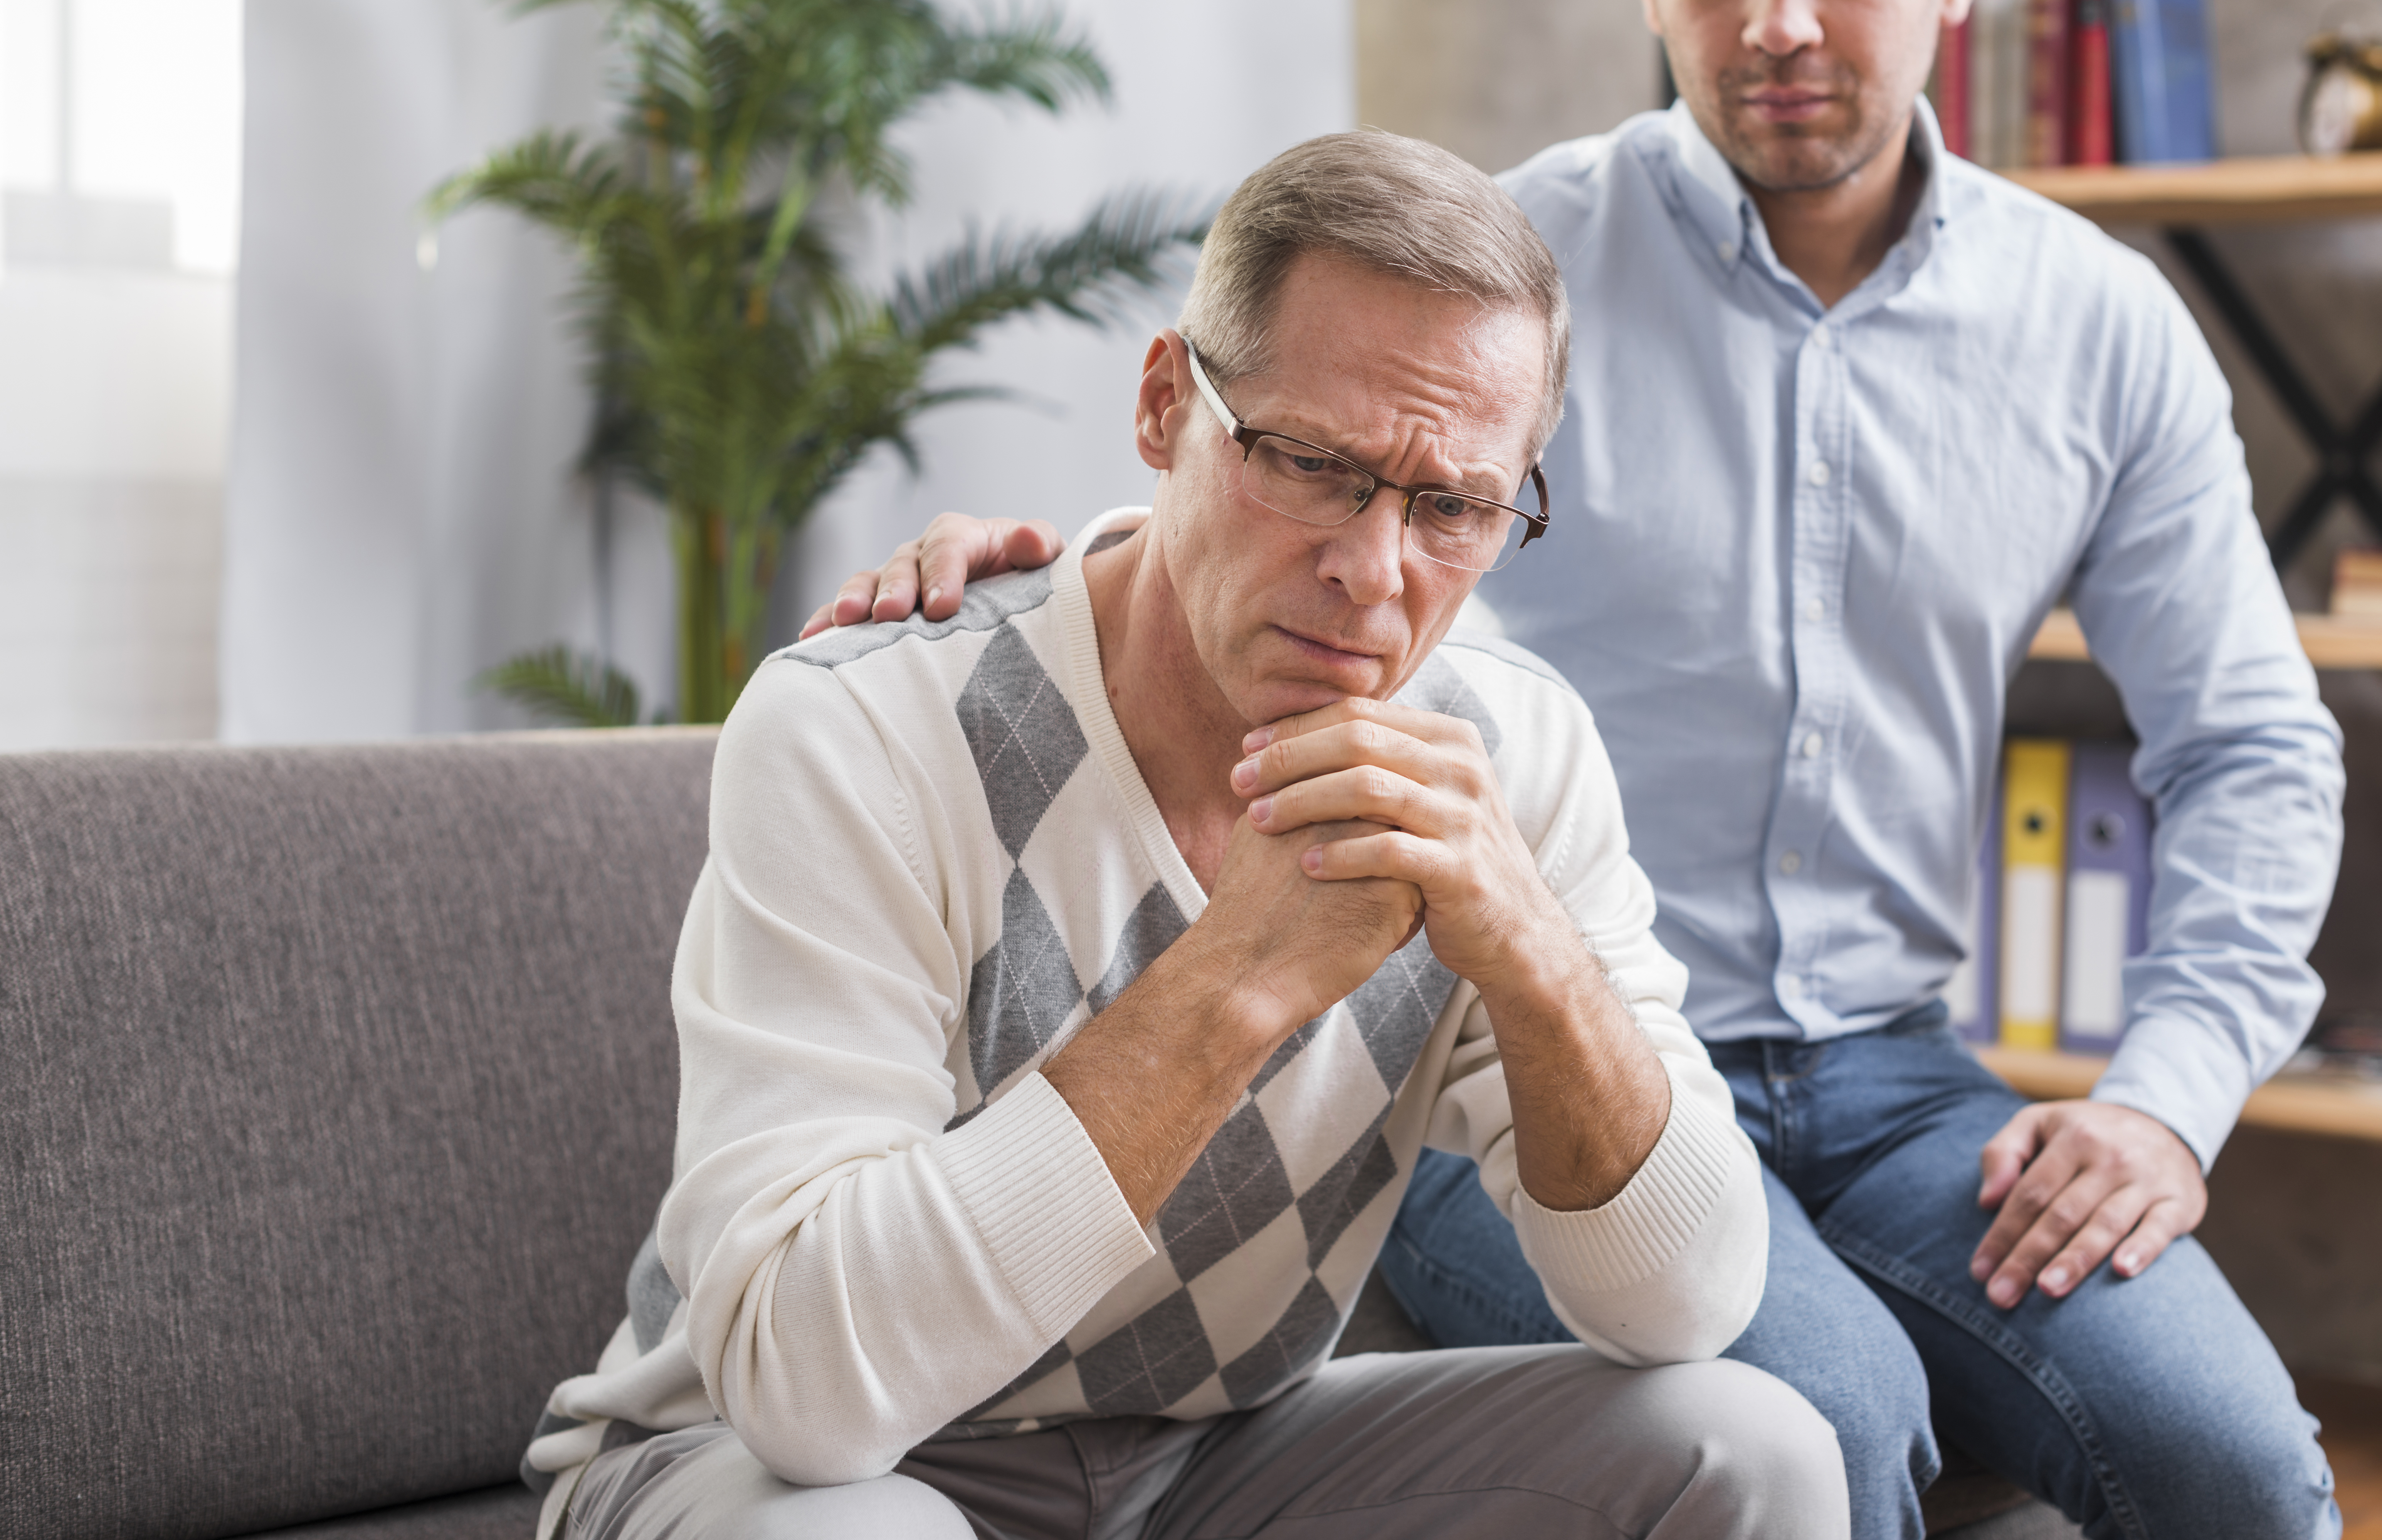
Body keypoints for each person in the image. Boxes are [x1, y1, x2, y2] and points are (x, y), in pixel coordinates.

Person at [807, 0, 2347, 1540]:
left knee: (2242, 1468)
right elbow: (1292, 488)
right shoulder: (1514, 283)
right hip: (1517, 1042)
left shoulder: (2099, 328)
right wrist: (1041, 560)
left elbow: (2253, 744)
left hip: (1903, 1082)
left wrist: (2166, 1100)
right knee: (1824, 1418)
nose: (1773, 21)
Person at [530, 132, 1844, 1540]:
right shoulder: (867, 726)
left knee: (1747, 1448)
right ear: (1166, 406)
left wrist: (1529, 947)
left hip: (1210, 1460)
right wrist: (1238, 981)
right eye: (1311, 464)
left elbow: (1688, 1299)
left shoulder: (1502, 756)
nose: (1372, 571)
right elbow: (805, 1390)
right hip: (770, 1472)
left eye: (1453, 506)